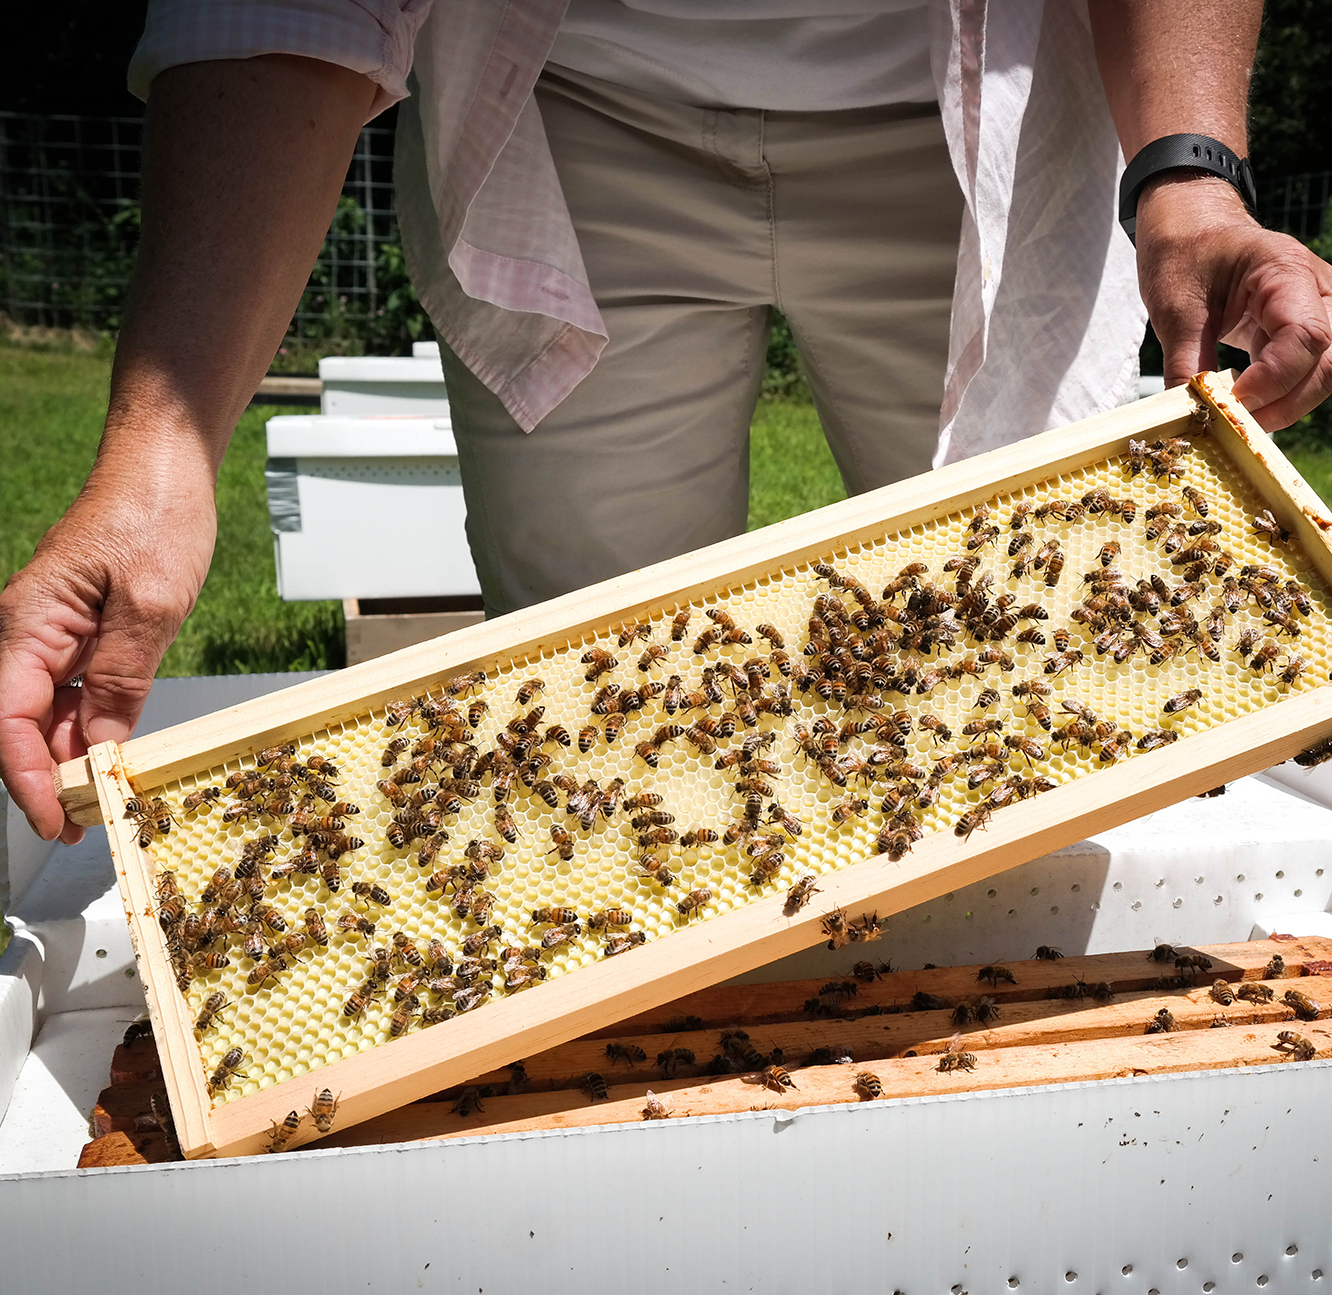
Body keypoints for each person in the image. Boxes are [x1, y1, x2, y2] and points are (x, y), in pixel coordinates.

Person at [1, 0, 1330, 847]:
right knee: (595, 732)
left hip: (993, 98)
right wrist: (162, 446)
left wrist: (1189, 171)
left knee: (1047, 700)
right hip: (570, 103)